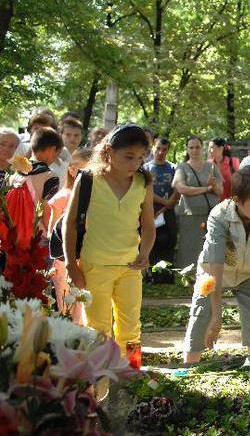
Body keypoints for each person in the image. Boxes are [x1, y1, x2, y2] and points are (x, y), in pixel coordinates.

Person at [63, 124, 155, 363]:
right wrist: (72, 266)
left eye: (140, 158)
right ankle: (98, 384)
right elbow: (70, 224)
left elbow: (148, 226)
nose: (135, 163)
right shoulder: (88, 180)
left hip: (130, 268)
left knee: (131, 328)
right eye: (128, 156)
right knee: (98, 330)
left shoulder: (143, 182)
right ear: (109, 152)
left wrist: (144, 252)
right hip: (95, 267)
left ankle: (131, 375)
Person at [183, 166, 250, 363]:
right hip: (213, 273)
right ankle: (190, 366)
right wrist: (217, 316)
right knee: (201, 319)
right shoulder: (219, 216)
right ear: (237, 200)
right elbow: (216, 264)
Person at [48, 147, 92, 323]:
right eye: (72, 166)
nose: (74, 170)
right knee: (66, 299)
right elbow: (53, 230)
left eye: (79, 166)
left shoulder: (95, 197)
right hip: (64, 258)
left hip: (87, 256)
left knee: (85, 300)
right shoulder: (63, 196)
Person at [173, 136, 222, 268]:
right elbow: (181, 188)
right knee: (189, 246)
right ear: (187, 150)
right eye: (191, 147)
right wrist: (206, 188)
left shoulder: (211, 166)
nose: (195, 150)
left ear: (202, 148)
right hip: (189, 214)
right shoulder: (182, 167)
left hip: (211, 214)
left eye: (197, 147)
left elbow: (219, 190)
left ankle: (211, 275)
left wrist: (214, 186)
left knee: (210, 245)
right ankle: (188, 276)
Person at [145, 137, 180, 278]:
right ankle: (151, 275)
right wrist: (164, 203)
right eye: (158, 148)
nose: (160, 152)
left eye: (164, 149)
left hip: (169, 212)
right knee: (151, 242)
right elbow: (146, 191)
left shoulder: (173, 168)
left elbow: (178, 189)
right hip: (151, 209)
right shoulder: (146, 168)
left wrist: (168, 204)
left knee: (168, 240)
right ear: (153, 147)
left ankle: (166, 276)